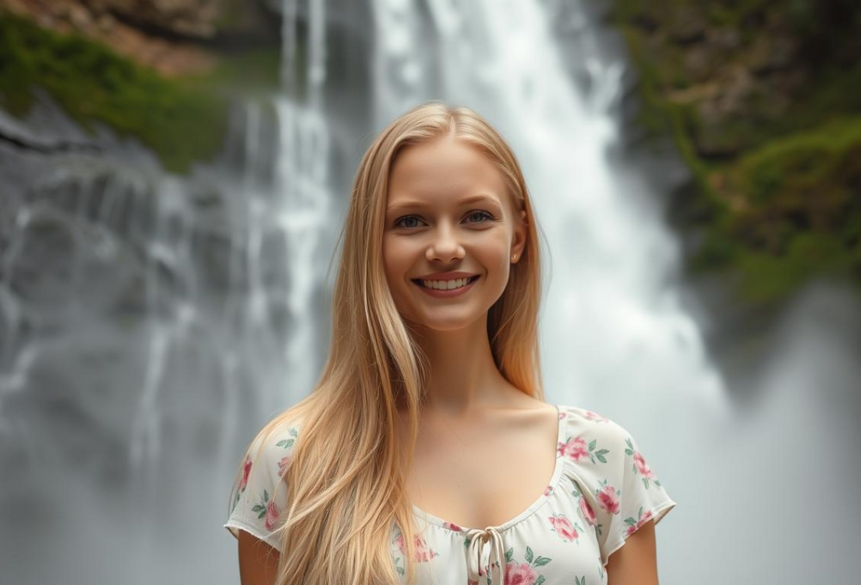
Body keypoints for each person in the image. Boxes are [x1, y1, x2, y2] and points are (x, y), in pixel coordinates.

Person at [224, 102, 676, 584]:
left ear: (517, 238)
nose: (445, 248)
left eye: (476, 216)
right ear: (371, 242)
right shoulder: (293, 460)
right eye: (410, 221)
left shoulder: (601, 456)